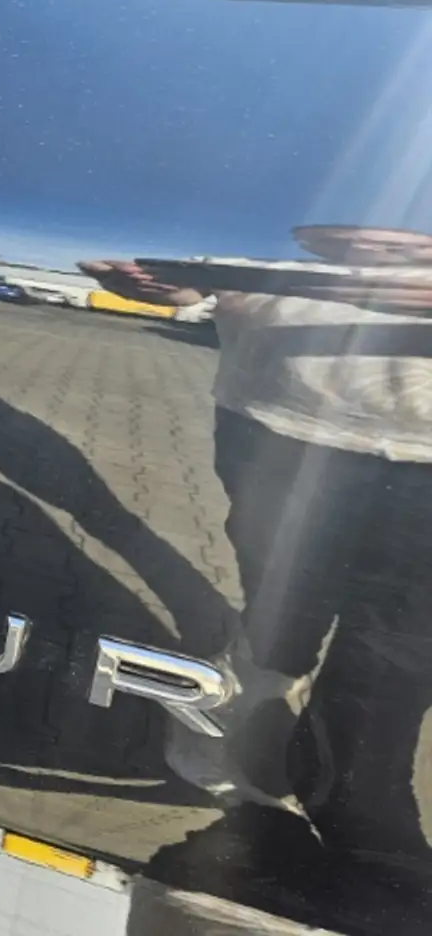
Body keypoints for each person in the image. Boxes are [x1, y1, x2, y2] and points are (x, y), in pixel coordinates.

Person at [79, 227, 432, 874]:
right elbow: (200, 279)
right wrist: (168, 287)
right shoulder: (289, 216)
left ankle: (351, 792)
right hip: (279, 431)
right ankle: (242, 723)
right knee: (282, 598)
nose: (389, 238)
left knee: (398, 640)